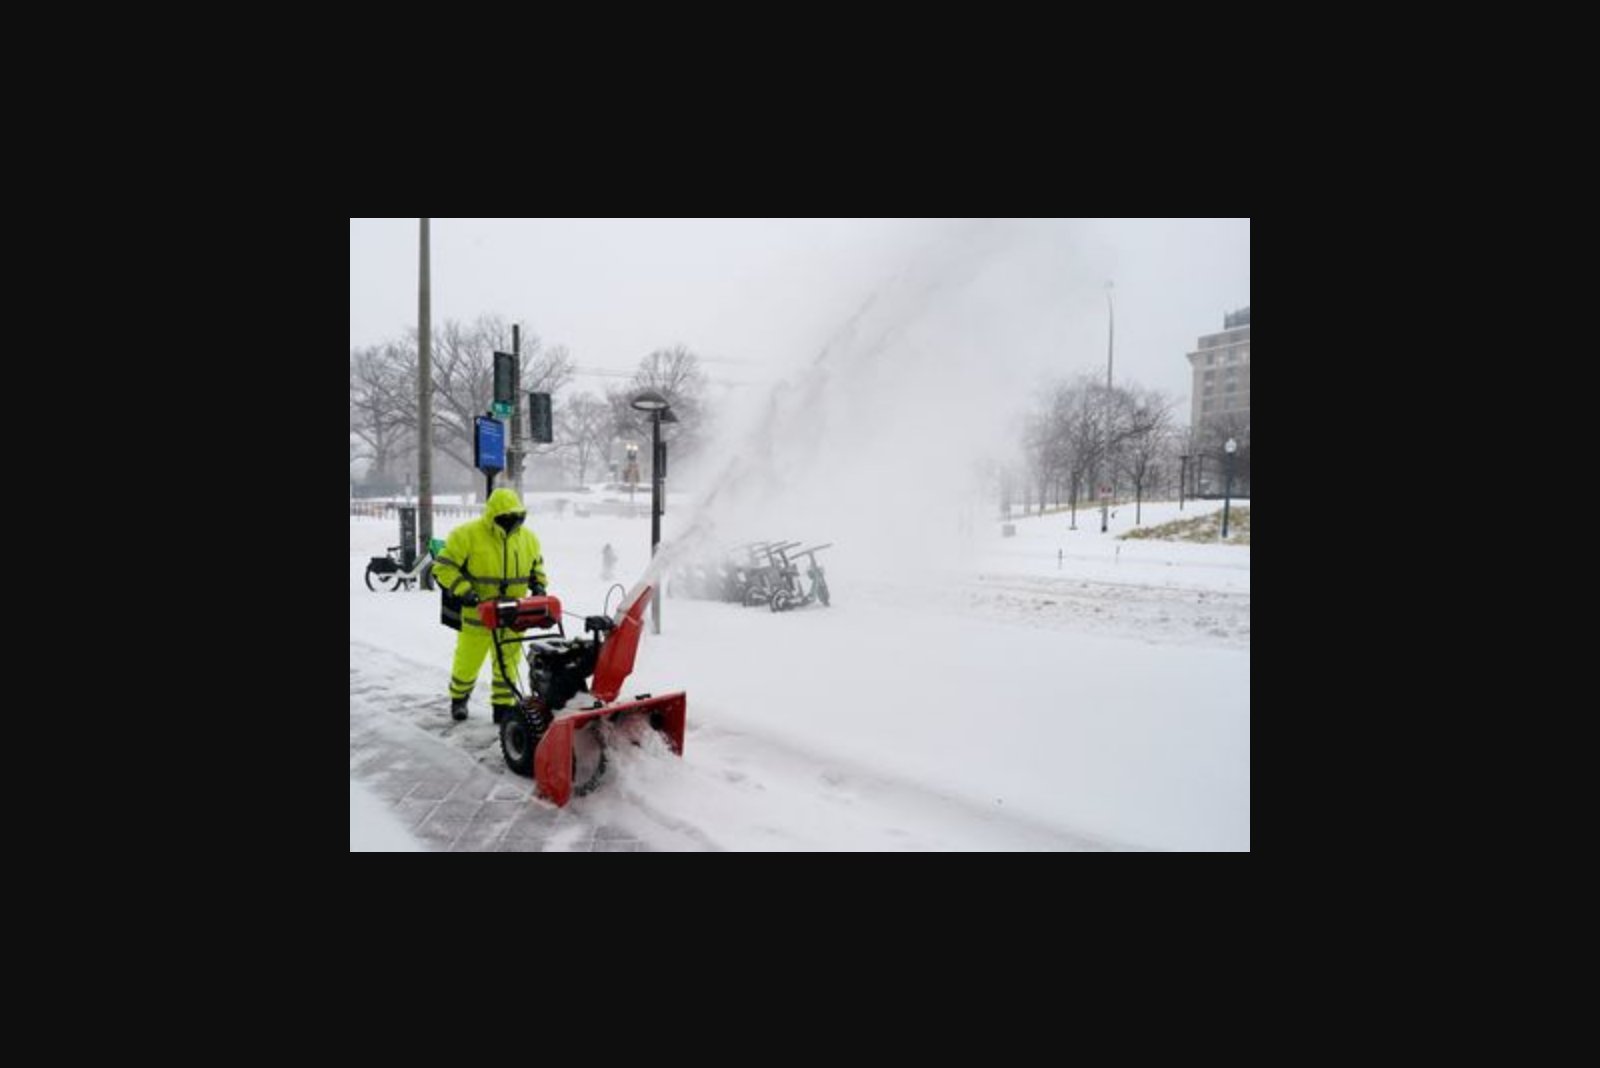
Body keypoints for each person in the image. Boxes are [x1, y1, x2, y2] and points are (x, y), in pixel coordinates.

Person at [431, 488, 549, 722]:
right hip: (477, 615)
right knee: (467, 661)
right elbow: (443, 567)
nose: (511, 522)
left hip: (513, 615)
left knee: (508, 664)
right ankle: (459, 698)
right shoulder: (466, 535)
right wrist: (465, 592)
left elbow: (537, 568)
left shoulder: (529, 539)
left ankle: (502, 708)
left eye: (515, 517)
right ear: (492, 514)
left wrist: (539, 586)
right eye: (505, 517)